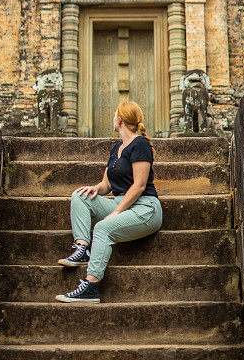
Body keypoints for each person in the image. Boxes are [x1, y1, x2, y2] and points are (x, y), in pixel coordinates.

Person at [55, 100, 163, 302]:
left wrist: (116, 211)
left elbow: (139, 185)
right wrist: (95, 188)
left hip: (145, 208)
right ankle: (81, 249)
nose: (113, 118)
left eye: (115, 115)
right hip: (121, 202)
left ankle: (90, 287)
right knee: (80, 196)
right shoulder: (116, 149)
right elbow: (107, 185)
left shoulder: (140, 145)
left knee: (103, 228)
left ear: (120, 120)